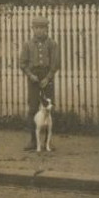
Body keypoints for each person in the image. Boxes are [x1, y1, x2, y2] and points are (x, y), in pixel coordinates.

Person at [19, 16, 61, 151]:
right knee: (32, 108)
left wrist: (48, 78)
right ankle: (32, 140)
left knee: (48, 108)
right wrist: (31, 75)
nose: (39, 31)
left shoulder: (52, 44)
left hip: (47, 77)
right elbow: (22, 63)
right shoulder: (27, 44)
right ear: (33, 29)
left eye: (42, 28)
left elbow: (56, 64)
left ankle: (48, 142)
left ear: (47, 29)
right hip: (33, 78)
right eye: (36, 28)